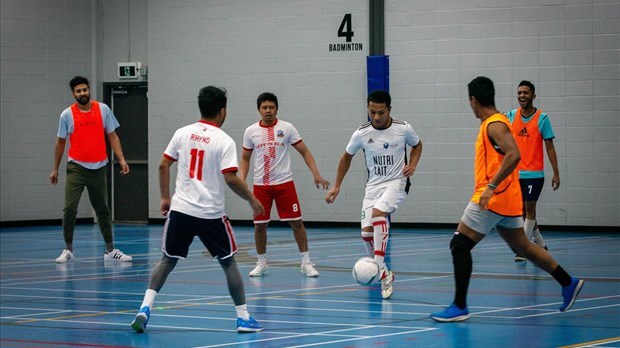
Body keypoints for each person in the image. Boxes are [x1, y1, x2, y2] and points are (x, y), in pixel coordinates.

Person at [430, 76, 583, 322]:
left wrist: (490, 187)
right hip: (508, 199)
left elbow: (514, 154)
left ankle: (459, 306)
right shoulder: (497, 121)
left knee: (459, 245)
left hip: (493, 198)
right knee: (524, 246)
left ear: (473, 100)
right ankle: (568, 282)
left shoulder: (494, 124)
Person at [131, 86, 265, 333]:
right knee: (228, 262)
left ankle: (145, 308)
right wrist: (252, 200)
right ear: (222, 111)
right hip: (210, 215)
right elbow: (231, 178)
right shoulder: (224, 140)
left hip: (181, 211)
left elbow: (163, 165)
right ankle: (243, 317)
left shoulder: (182, 133)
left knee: (167, 260)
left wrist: (164, 198)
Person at [325, 90, 423, 299]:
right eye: (372, 112)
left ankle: (378, 266)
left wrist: (412, 164)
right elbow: (346, 158)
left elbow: (417, 145)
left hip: (397, 182)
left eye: (381, 112)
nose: (376, 117)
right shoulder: (361, 133)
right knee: (366, 235)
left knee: (379, 213)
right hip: (373, 186)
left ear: (389, 110)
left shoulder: (403, 129)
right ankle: (387, 275)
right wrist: (337, 186)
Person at [240, 92, 330, 278]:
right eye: (264, 107)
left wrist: (316, 174)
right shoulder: (250, 132)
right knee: (259, 226)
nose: (268, 111)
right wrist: (242, 180)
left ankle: (306, 263)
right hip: (261, 187)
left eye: (271, 107)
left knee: (296, 222)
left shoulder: (287, 128)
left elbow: (305, 152)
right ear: (259, 110)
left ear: (277, 109)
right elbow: (245, 159)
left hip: (284, 184)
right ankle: (262, 263)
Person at [50, 76, 132, 263]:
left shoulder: (103, 109)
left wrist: (121, 159)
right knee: (69, 208)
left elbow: (112, 136)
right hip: (76, 168)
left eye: (85, 90)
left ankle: (110, 251)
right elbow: (60, 143)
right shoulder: (66, 115)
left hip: (99, 168)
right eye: (78, 91)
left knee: (102, 209)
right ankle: (68, 250)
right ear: (74, 94)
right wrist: (55, 168)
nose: (82, 93)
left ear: (89, 90)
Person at [507, 80, 559, 261]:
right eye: (519, 93)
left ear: (533, 96)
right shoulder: (512, 116)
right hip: (516, 173)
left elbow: (550, 147)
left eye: (526, 93)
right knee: (522, 211)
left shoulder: (542, 119)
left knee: (530, 208)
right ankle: (540, 243)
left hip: (535, 173)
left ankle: (522, 248)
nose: (522, 96)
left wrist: (556, 172)